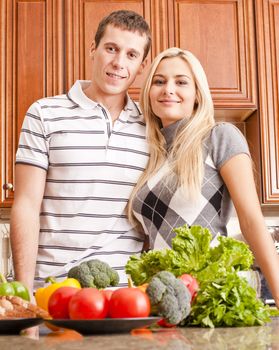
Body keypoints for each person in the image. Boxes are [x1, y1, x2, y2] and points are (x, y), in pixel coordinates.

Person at [10, 10, 151, 293]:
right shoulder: (44, 113)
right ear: (93, 49)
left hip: (125, 300)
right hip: (52, 294)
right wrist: (24, 298)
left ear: (143, 65)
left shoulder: (151, 127)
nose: (118, 63)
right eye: (111, 48)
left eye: (131, 55)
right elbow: (26, 205)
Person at [127, 47, 279, 308]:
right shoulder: (148, 153)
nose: (168, 89)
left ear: (197, 94)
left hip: (210, 297)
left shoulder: (220, 137)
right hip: (159, 304)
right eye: (159, 81)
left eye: (181, 82)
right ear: (148, 92)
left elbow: (252, 222)